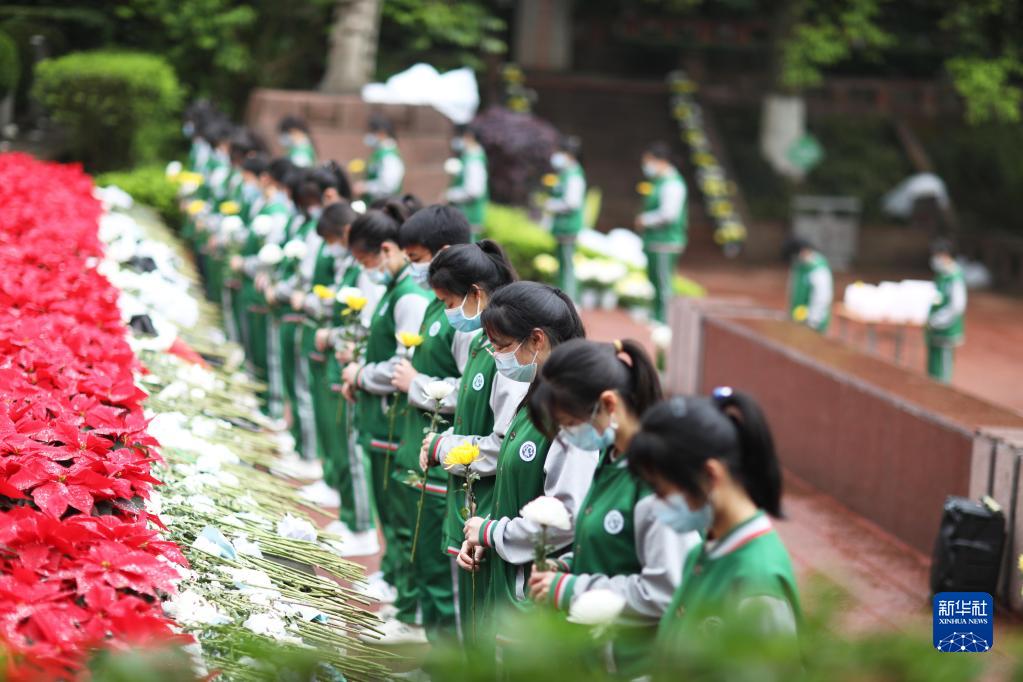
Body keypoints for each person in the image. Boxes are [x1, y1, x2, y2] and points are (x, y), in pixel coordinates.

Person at [525, 338, 699, 677]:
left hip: (637, 663)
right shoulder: (612, 459)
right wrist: (569, 565)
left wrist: (572, 589)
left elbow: (664, 591)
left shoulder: (657, 478)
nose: (565, 436)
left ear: (608, 404)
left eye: (569, 423)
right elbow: (615, 548)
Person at [459, 282, 599, 655]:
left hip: (536, 587)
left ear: (536, 339)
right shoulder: (537, 395)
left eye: (503, 346)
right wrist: (488, 535)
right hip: (511, 575)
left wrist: (493, 532)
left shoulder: (573, 418)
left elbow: (564, 519)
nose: (495, 355)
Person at [628, 388, 800, 670]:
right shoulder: (703, 552)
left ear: (711, 475)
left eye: (661, 491)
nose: (656, 505)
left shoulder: (757, 580)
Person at [372, 205, 473, 645]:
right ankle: (427, 639)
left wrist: (416, 385)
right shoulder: (436, 304)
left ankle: (444, 657)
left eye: (416, 258)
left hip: (444, 457)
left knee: (439, 568)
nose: (413, 268)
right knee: (419, 550)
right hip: (419, 446)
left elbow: (471, 393)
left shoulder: (464, 319)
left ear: (443, 252)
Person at [418, 241, 521, 646]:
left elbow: (502, 443)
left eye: (449, 303)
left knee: (483, 621)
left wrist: (445, 447)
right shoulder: (480, 343)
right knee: (470, 615)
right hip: (469, 496)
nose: (448, 313)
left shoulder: (506, 357)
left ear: (476, 294)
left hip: (491, 503)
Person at [340, 202, 430, 595]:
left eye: (367, 261)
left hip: (394, 417)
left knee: (398, 509)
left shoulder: (409, 297)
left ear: (388, 250)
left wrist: (362, 375)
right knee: (386, 503)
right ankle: (392, 574)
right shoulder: (393, 290)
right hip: (380, 415)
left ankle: (400, 585)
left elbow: (401, 364)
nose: (366, 270)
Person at [634, 142, 687, 323]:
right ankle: (656, 315)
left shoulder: (673, 184)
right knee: (655, 281)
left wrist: (645, 220)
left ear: (662, 161)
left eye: (649, 161)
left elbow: (669, 214)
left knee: (663, 283)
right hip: (655, 240)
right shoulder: (659, 181)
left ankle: (665, 320)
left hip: (666, 241)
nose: (646, 166)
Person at [543, 136, 586, 300]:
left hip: (569, 227)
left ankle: (572, 300)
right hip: (561, 227)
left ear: (569, 155)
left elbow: (572, 203)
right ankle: (562, 299)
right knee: (561, 264)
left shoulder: (574, 175)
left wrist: (551, 205)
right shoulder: (565, 173)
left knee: (567, 265)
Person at [926, 240, 967, 383]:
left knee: (943, 370)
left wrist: (937, 319)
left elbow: (957, 306)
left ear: (945, 255)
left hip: (946, 330)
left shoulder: (954, 277)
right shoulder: (942, 274)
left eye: (937, 255)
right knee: (933, 369)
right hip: (935, 329)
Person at [445, 124, 489, 240]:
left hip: (469, 216)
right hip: (465, 218)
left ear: (469, 136)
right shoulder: (469, 157)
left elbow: (473, 191)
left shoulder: (473, 161)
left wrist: (450, 195)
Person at [782, 237, 833, 333]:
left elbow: (821, 298)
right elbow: (793, 290)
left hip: (814, 324)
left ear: (804, 251)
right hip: (797, 320)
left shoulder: (818, 269)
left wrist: (812, 322)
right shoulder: (799, 266)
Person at [356, 114, 405, 203]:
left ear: (381, 133)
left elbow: (389, 185)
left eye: (371, 132)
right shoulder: (379, 153)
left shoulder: (389, 155)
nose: (368, 136)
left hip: (384, 205)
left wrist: (365, 187)